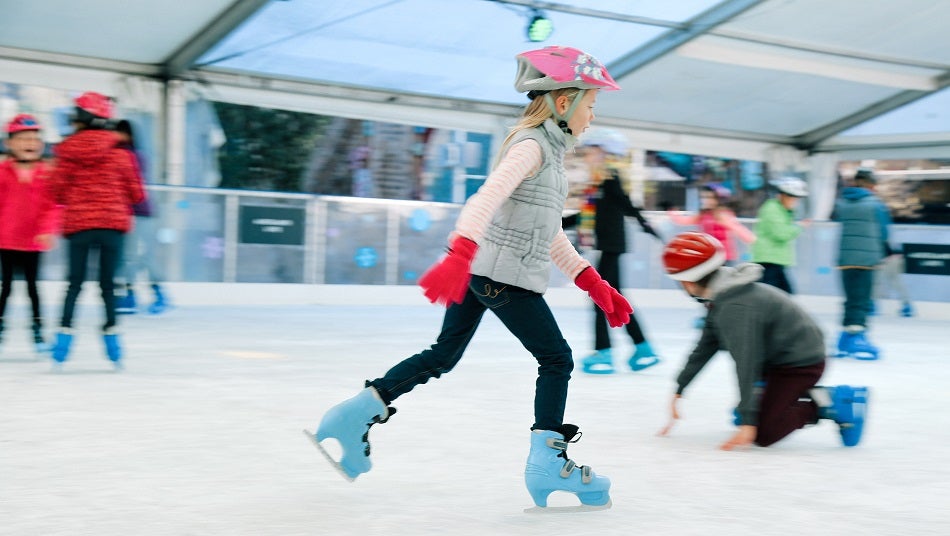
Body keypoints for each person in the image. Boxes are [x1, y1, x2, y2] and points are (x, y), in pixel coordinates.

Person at [307, 46, 627, 511]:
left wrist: (592, 282)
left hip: (487, 273)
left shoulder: (550, 155)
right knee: (556, 359)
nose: (592, 117)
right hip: (503, 276)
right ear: (564, 103)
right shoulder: (533, 146)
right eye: (591, 106)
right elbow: (485, 198)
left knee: (443, 354)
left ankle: (354, 413)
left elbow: (549, 232)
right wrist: (460, 251)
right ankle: (546, 464)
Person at [657, 232, 869, 450]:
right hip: (776, 359)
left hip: (800, 363)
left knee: (764, 432)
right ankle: (766, 399)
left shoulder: (735, 307)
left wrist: (750, 422)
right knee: (743, 417)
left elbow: (747, 362)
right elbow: (706, 346)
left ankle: (829, 401)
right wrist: (680, 387)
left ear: (687, 282)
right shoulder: (723, 294)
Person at [47, 92, 145, 369]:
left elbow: (56, 192)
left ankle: (63, 340)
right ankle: (112, 341)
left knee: (74, 284)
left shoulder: (66, 154)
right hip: (112, 226)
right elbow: (137, 194)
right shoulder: (122, 155)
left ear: (81, 120)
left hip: (79, 225)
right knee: (107, 285)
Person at [561, 128, 662, 374]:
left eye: (592, 150)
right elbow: (588, 216)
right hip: (607, 245)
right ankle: (642, 347)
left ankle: (605, 353)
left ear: (604, 153)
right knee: (612, 298)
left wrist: (644, 223)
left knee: (601, 298)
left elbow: (626, 204)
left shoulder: (609, 178)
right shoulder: (597, 181)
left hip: (611, 246)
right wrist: (558, 224)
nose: (588, 155)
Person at [0, 114, 60, 353]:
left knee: (33, 287)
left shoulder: (46, 173)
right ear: (10, 143)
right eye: (24, 138)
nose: (30, 143)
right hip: (6, 239)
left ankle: (37, 330)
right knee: (7, 287)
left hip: (33, 241)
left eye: (34, 138)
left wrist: (47, 231)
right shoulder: (3, 171)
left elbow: (53, 206)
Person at [668, 183, 755, 327]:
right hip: (708, 258)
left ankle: (722, 316)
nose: (706, 200)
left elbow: (736, 228)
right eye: (704, 197)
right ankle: (711, 316)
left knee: (720, 289)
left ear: (718, 199)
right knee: (706, 289)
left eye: (709, 197)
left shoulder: (723, 214)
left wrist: (750, 239)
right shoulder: (703, 215)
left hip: (724, 258)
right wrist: (672, 212)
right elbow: (684, 221)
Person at [830, 167, 888, 360]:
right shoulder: (875, 204)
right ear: (871, 185)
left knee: (851, 299)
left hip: (846, 259)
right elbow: (883, 231)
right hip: (867, 258)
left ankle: (845, 339)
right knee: (862, 300)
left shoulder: (843, 202)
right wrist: (886, 250)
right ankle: (857, 338)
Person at [113, 119, 170, 315]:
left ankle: (155, 293)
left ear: (127, 135)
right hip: (130, 212)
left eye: (117, 133)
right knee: (128, 257)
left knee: (139, 256)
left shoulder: (131, 156)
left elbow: (129, 183)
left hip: (138, 212)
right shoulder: (125, 154)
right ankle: (131, 294)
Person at [751, 177, 809, 294]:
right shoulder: (772, 209)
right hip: (768, 260)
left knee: (783, 295)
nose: (795, 202)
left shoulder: (781, 210)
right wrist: (800, 227)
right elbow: (781, 234)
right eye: (794, 198)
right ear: (784, 196)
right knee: (775, 296)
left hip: (775, 259)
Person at [872, 242, 914, 317]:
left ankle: (873, 306)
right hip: (894, 256)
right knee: (896, 282)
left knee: (877, 283)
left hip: (885, 256)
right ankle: (907, 305)